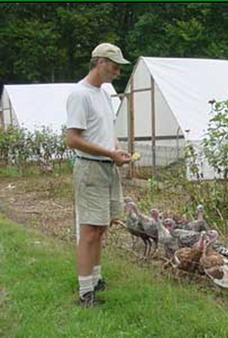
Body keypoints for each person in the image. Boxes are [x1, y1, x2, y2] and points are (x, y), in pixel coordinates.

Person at [65, 42, 131, 306]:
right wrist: (108, 153)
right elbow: (72, 139)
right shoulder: (79, 95)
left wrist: (116, 150)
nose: (117, 73)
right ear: (100, 62)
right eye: (114, 67)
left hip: (106, 166)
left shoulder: (103, 94)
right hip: (90, 168)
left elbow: (103, 131)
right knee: (89, 230)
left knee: (102, 226)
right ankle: (85, 292)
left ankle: (96, 278)